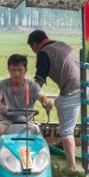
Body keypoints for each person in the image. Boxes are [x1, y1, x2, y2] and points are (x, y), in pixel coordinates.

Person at [28, 29, 81, 162]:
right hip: (85, 86)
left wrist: (28, 101)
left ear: (34, 45)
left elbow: (39, 80)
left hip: (72, 91)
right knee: (59, 102)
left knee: (67, 132)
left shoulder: (44, 52)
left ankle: (72, 168)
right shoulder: (62, 45)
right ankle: (62, 145)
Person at [0, 53, 52, 144]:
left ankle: (33, 156)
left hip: (27, 122)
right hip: (6, 121)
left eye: (20, 70)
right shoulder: (1, 85)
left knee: (37, 136)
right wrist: (1, 106)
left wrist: (46, 103)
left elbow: (42, 97)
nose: (17, 73)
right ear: (9, 70)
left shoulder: (33, 86)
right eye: (13, 70)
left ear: (25, 70)